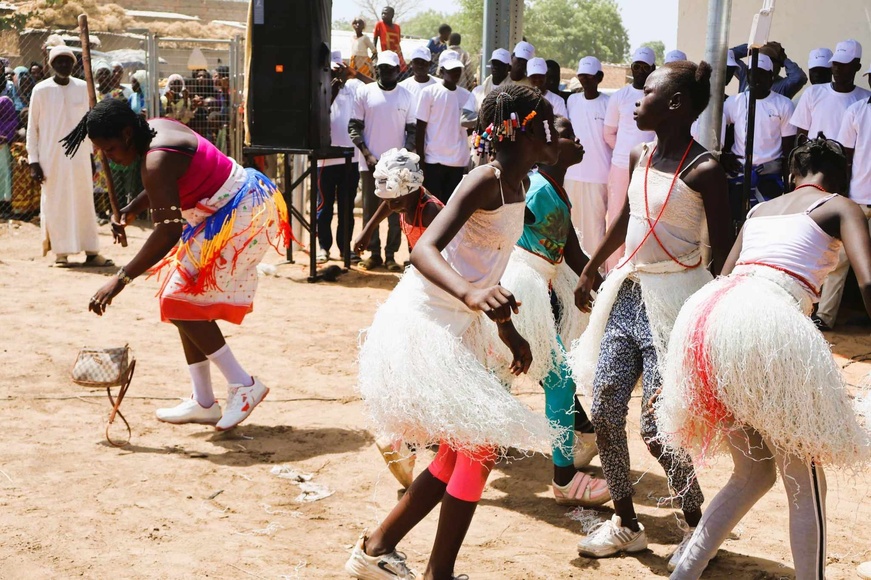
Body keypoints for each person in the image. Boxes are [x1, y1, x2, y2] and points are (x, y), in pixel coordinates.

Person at [345, 84, 559, 580]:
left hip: (459, 324)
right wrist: (471, 295)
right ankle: (425, 568)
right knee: (475, 448)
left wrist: (506, 328)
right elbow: (424, 251)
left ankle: (379, 550)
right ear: (521, 128)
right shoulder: (485, 178)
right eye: (546, 122)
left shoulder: (520, 185)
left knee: (465, 450)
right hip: (426, 324)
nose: (554, 131)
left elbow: (487, 265)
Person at [657, 135, 871, 580]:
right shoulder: (841, 206)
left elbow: (725, 272)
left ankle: (684, 574)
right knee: (805, 482)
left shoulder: (758, 211)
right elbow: (868, 284)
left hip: (711, 321)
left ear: (793, 176)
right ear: (839, 177)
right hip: (766, 322)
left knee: (751, 476)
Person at [569, 61, 732, 568]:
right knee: (606, 409)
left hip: (677, 304)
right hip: (629, 294)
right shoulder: (640, 152)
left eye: (646, 93)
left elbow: (725, 252)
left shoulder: (704, 169)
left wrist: (715, 310)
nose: (635, 100)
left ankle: (693, 516)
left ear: (676, 104)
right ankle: (627, 523)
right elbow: (626, 220)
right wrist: (593, 266)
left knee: (657, 427)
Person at [66, 99, 289, 431]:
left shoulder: (155, 161)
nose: (106, 157)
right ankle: (203, 402)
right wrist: (132, 207)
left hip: (241, 215)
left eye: (109, 148)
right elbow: (168, 183)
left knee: (178, 302)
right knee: (180, 303)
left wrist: (120, 279)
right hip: (229, 206)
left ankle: (244, 385)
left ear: (127, 134)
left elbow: (168, 230)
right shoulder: (156, 129)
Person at [492, 115, 607, 504]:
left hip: (530, 288)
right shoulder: (538, 187)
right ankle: (564, 477)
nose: (579, 141)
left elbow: (573, 254)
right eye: (568, 135)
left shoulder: (554, 190)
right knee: (558, 379)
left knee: (497, 377)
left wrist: (609, 287)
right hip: (521, 288)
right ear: (549, 148)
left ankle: (417, 444)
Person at [354, 147, 445, 488]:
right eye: (389, 202)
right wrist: (367, 230)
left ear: (411, 190)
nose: (392, 208)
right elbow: (386, 203)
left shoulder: (432, 210)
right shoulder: (402, 200)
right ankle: (405, 441)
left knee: (429, 366)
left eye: (395, 202)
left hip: (438, 291)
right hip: (417, 286)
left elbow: (447, 258)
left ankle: (411, 440)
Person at [792, 39, 871, 330]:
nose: (837, 70)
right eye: (835, 65)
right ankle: (821, 315)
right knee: (834, 258)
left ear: (857, 68)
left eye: (844, 65)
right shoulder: (849, 107)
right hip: (846, 192)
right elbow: (845, 156)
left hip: (850, 191)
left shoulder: (859, 102)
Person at [27, 45, 110, 267]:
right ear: (51, 65)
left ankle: (92, 252)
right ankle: (61, 253)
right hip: (50, 158)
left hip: (80, 157)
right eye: (59, 62)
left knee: (84, 203)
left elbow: (91, 123)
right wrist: (33, 161)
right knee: (56, 202)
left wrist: (93, 157)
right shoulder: (41, 90)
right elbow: (32, 129)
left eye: (67, 62)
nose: (63, 65)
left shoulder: (84, 88)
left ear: (74, 65)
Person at [348, 50, 415, 272]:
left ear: (398, 71)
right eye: (382, 68)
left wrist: (403, 157)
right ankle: (373, 253)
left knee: (396, 209)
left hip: (396, 166)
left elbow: (412, 130)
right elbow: (354, 126)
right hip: (370, 163)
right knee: (370, 209)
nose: (385, 72)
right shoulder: (364, 92)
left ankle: (390, 256)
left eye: (390, 68)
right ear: (376, 69)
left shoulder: (406, 96)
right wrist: (366, 153)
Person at [721, 54, 796, 224]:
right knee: (735, 221)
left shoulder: (784, 105)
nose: (755, 78)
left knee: (765, 224)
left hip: (769, 176)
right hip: (739, 172)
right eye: (751, 73)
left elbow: (788, 149)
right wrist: (725, 155)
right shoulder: (734, 102)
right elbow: (718, 131)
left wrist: (789, 186)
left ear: (771, 77)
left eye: (761, 73)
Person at [602, 46, 657, 270]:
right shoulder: (619, 96)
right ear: (631, 68)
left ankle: (635, 268)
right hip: (620, 167)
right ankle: (613, 270)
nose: (640, 70)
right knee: (615, 217)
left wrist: (643, 157)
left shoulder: (655, 98)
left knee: (644, 218)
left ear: (653, 69)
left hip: (649, 169)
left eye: (645, 67)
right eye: (637, 66)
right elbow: (609, 134)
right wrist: (626, 153)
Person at [317, 52, 363, 265]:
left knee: (346, 207)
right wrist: (334, 84)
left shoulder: (353, 86)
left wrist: (354, 74)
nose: (337, 73)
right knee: (324, 207)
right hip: (326, 159)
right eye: (333, 69)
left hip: (349, 158)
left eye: (339, 69)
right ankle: (323, 247)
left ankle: (345, 248)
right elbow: (322, 110)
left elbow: (374, 85)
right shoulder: (321, 87)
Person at [565, 56, 611, 257]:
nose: (585, 80)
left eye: (589, 77)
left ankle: (594, 269)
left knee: (595, 224)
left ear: (599, 77)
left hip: (599, 175)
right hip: (572, 173)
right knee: (572, 222)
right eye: (581, 76)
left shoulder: (609, 103)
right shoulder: (572, 100)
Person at [416, 50, 472, 205]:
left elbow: (469, 127)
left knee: (452, 207)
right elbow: (420, 129)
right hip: (434, 161)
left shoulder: (467, 95)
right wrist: (421, 162)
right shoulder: (429, 93)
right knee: (433, 206)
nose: (455, 74)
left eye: (458, 70)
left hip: (458, 162)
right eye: (451, 70)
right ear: (441, 71)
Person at [731, 41, 808, 98]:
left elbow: (799, 77)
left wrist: (784, 59)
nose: (762, 64)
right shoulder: (747, 74)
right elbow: (726, 56)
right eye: (759, 58)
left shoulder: (782, 85)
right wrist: (752, 47)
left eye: (769, 60)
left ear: (778, 66)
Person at [398, 46, 436, 111]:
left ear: (429, 64)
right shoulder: (402, 87)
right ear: (411, 63)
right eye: (416, 62)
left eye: (423, 62)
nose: (420, 65)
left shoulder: (438, 86)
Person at [373, 6, 406, 71]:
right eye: (382, 13)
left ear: (392, 15)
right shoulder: (379, 25)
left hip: (397, 55)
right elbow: (375, 39)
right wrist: (375, 53)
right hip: (386, 56)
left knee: (403, 72)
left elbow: (398, 43)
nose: (383, 15)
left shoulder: (397, 27)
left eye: (385, 14)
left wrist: (401, 56)